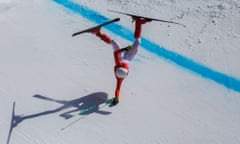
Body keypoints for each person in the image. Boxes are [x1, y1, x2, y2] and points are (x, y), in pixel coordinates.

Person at [91, 17, 151, 105]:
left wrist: (124, 49)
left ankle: (97, 33)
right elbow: (118, 88)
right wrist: (117, 97)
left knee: (115, 43)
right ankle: (138, 23)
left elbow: (115, 54)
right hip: (128, 58)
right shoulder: (121, 76)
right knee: (138, 42)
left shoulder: (118, 65)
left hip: (120, 56)